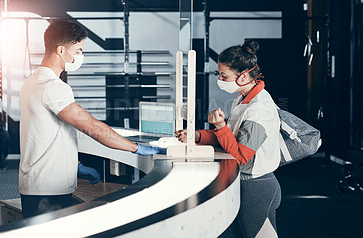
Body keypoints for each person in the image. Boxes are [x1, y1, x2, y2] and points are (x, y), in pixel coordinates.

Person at [19, 20, 165, 219]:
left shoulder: (33, 81)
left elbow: (44, 134)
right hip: (49, 189)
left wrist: (76, 166)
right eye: (78, 50)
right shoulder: (53, 87)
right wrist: (136, 148)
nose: (80, 56)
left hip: (39, 184)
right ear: (61, 51)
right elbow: (93, 127)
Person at [175, 40, 281, 237]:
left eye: (224, 76)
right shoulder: (241, 100)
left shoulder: (260, 108)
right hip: (241, 181)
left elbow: (242, 155)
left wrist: (221, 126)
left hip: (256, 186)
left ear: (243, 76)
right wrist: (197, 135)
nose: (220, 80)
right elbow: (230, 139)